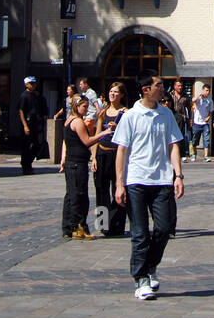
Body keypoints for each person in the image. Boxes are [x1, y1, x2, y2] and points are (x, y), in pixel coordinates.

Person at [113, 70, 184, 300]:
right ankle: (141, 279)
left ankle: (151, 264)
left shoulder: (166, 115)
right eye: (159, 85)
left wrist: (178, 176)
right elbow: (121, 151)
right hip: (136, 180)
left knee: (164, 229)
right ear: (146, 90)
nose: (162, 88)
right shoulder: (130, 116)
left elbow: (174, 145)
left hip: (162, 180)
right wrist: (119, 184)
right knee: (140, 233)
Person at [62, 97, 109, 239]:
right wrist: (104, 133)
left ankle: (68, 228)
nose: (86, 109)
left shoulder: (69, 120)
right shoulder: (77, 122)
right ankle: (79, 227)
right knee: (79, 195)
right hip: (77, 163)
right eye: (84, 106)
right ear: (77, 106)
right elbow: (87, 141)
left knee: (71, 195)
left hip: (72, 162)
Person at [92, 81, 128, 237]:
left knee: (117, 189)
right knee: (101, 190)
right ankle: (102, 224)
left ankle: (117, 224)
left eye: (116, 92)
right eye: (111, 91)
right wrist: (93, 157)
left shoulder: (126, 112)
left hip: (117, 154)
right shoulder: (103, 112)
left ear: (121, 95)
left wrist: (117, 128)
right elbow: (96, 135)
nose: (112, 94)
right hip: (102, 153)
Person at [18, 76, 48, 175]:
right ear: (26, 85)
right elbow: (21, 111)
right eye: (31, 83)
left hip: (36, 123)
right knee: (26, 146)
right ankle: (25, 166)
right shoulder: (24, 96)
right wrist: (25, 126)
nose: (33, 85)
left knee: (36, 145)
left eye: (34, 83)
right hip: (28, 123)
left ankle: (28, 162)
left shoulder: (36, 95)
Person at [190, 84, 214, 161]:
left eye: (209, 91)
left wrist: (209, 117)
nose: (207, 92)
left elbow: (211, 111)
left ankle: (206, 155)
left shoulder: (210, 100)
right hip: (197, 122)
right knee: (195, 139)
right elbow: (193, 100)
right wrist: (199, 95)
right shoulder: (199, 98)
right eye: (206, 90)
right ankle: (194, 154)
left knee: (206, 139)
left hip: (205, 123)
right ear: (203, 90)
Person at [170, 79, 192, 157]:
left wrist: (190, 120)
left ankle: (181, 153)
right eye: (178, 86)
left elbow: (189, 109)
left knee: (181, 136)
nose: (180, 87)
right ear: (174, 86)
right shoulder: (170, 95)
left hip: (182, 119)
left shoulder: (185, 96)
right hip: (172, 118)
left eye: (181, 86)